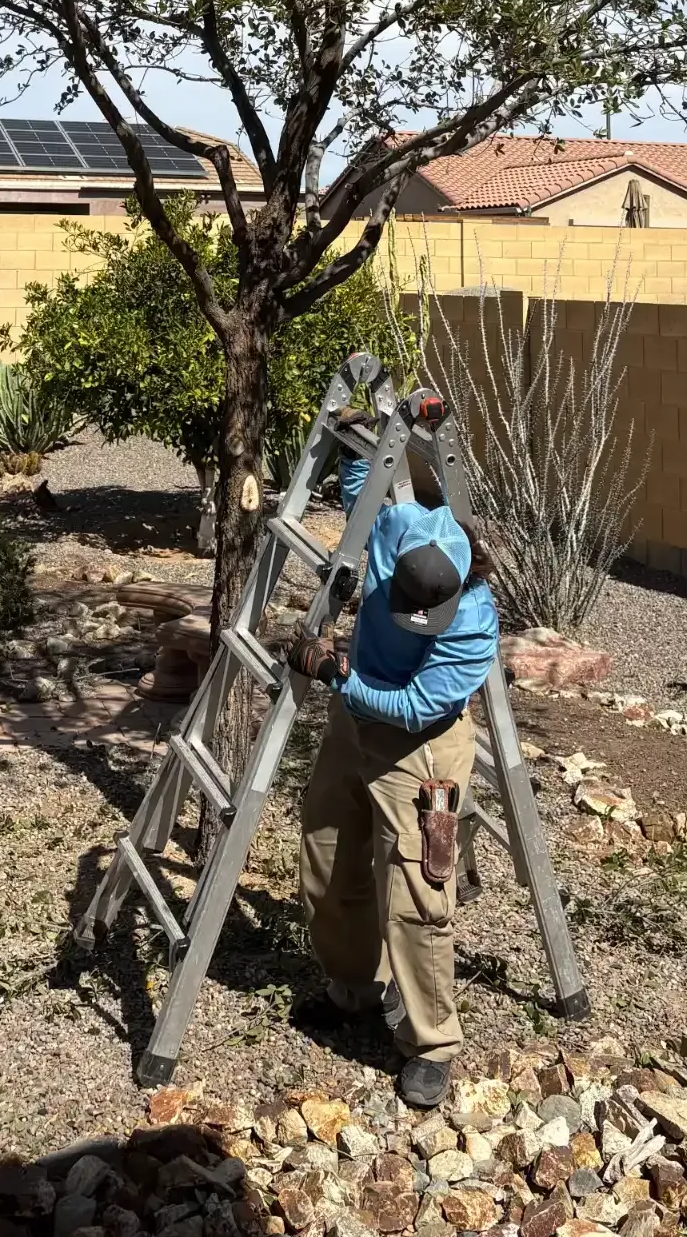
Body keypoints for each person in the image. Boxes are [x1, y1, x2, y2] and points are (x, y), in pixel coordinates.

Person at [288, 436, 499, 1109]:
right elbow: (362, 493)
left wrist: (333, 675)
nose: (413, 619)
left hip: (420, 752)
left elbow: (412, 710)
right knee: (326, 854)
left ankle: (430, 1044)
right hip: (355, 726)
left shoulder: (471, 625)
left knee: (416, 899)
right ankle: (350, 987)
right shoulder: (402, 529)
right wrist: (359, 435)